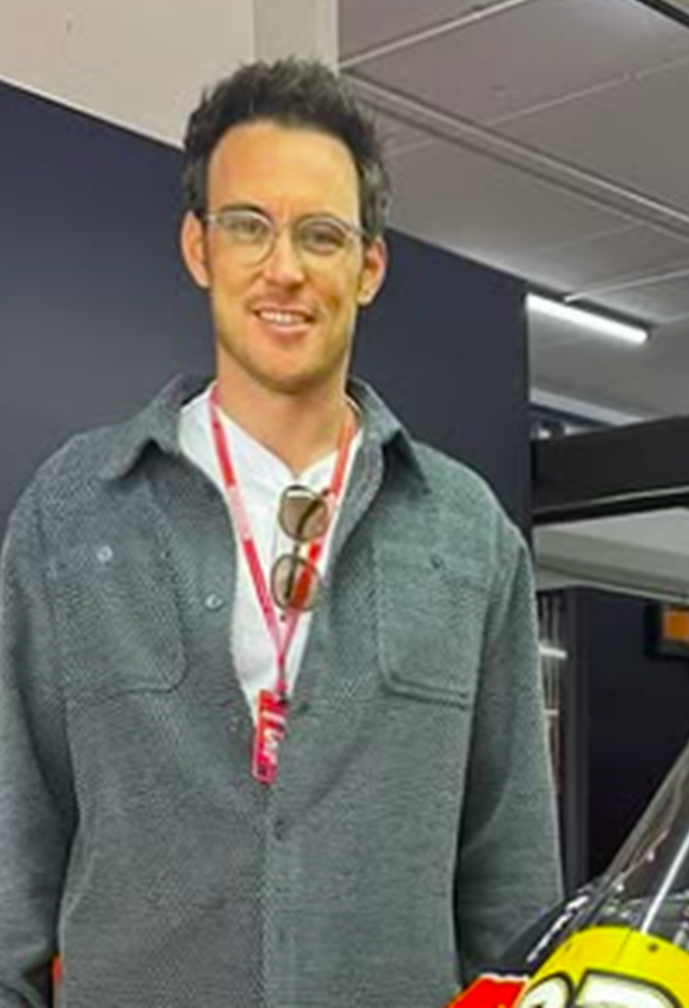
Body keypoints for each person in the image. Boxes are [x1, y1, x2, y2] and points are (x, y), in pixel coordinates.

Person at [0, 58, 562, 1007]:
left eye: (322, 234)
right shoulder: (78, 513)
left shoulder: (468, 538)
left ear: (369, 267)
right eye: (249, 226)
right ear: (199, 248)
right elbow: (13, 843)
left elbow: (511, 880)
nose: (285, 268)